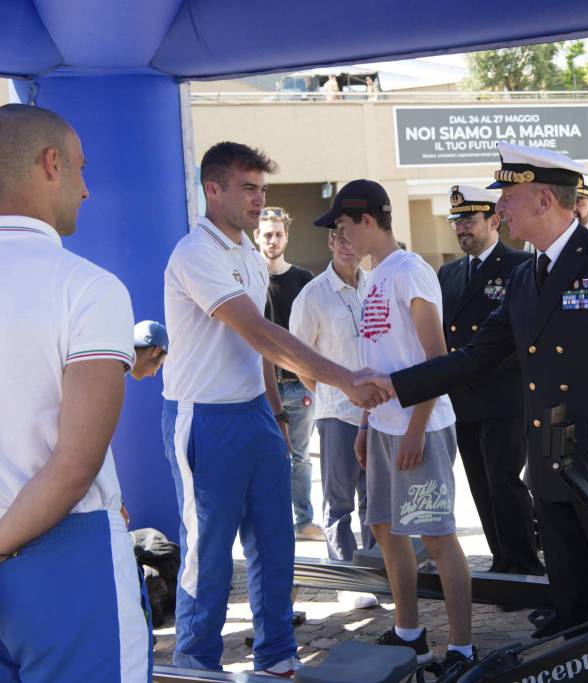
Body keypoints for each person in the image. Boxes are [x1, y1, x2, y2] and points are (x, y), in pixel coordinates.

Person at [360, 143, 588, 648]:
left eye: (507, 196)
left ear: (542, 200)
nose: (499, 209)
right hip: (552, 465)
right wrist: (396, 387)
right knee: (574, 602)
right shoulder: (523, 277)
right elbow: (477, 357)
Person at [161, 142, 387, 676]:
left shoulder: (245, 253)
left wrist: (273, 412)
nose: (259, 199)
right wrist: (345, 379)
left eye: (263, 189)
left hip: (255, 416)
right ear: (211, 189)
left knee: (275, 542)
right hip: (205, 418)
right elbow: (259, 329)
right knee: (209, 553)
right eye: (248, 188)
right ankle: (196, 663)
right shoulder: (195, 253)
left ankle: (278, 657)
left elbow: (260, 345)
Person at [0, 103, 150, 682]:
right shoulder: (89, 287)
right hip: (66, 552)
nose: (87, 190)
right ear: (51, 164)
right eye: (82, 169)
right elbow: (73, 467)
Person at [314, 179, 475, 674]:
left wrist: (414, 427)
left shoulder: (411, 272)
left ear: (367, 221)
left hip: (419, 427)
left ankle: (463, 650)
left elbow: (437, 360)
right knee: (384, 529)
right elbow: (373, 362)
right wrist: (366, 425)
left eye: (343, 227)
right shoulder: (374, 276)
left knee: (437, 537)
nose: (340, 238)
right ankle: (410, 636)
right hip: (382, 428)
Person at [437, 185, 542, 577]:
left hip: (504, 396)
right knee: (480, 485)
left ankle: (523, 564)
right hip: (463, 400)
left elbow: (522, 334)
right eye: (457, 223)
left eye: (469, 221)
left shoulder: (518, 266)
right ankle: (501, 559)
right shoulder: (447, 273)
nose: (461, 230)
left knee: (505, 482)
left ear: (494, 221)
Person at [289, 221, 378, 609]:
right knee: (338, 502)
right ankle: (347, 580)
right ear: (328, 242)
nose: (346, 245)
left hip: (378, 413)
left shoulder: (375, 285)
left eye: (351, 238)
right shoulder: (313, 295)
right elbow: (297, 357)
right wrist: (326, 392)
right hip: (336, 414)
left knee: (375, 501)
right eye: (337, 238)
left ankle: (379, 573)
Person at [255, 207, 322, 540]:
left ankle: (304, 521)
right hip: (258, 389)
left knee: (300, 457)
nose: (272, 240)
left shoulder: (302, 280)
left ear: (287, 237)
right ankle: (273, 524)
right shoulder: (247, 279)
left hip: (298, 387)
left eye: (278, 234)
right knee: (266, 459)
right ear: (257, 237)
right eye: (267, 234)